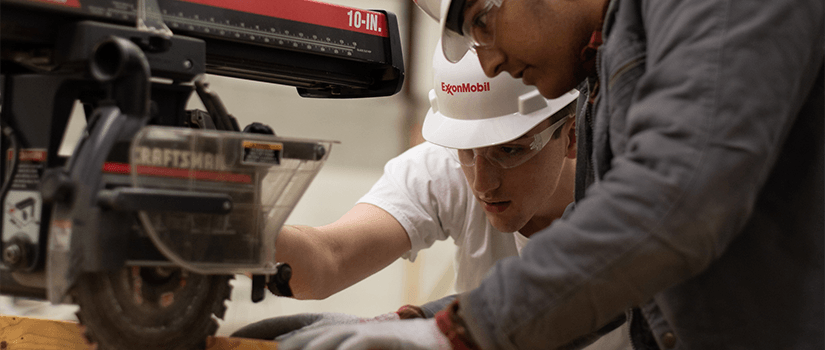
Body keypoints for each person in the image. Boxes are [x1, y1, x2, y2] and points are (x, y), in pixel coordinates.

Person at [279, 0, 824, 348]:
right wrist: (416, 323)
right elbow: (612, 282)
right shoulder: (617, 62)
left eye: (483, 25)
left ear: (566, 135)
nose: (487, 62)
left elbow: (674, 203)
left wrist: (453, 334)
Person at [236, 42, 634, 348]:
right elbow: (329, 258)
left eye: (510, 150)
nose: (483, 182)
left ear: (571, 134)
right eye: (466, 151)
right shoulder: (443, 167)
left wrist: (415, 326)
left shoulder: (631, 196)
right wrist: (236, 230)